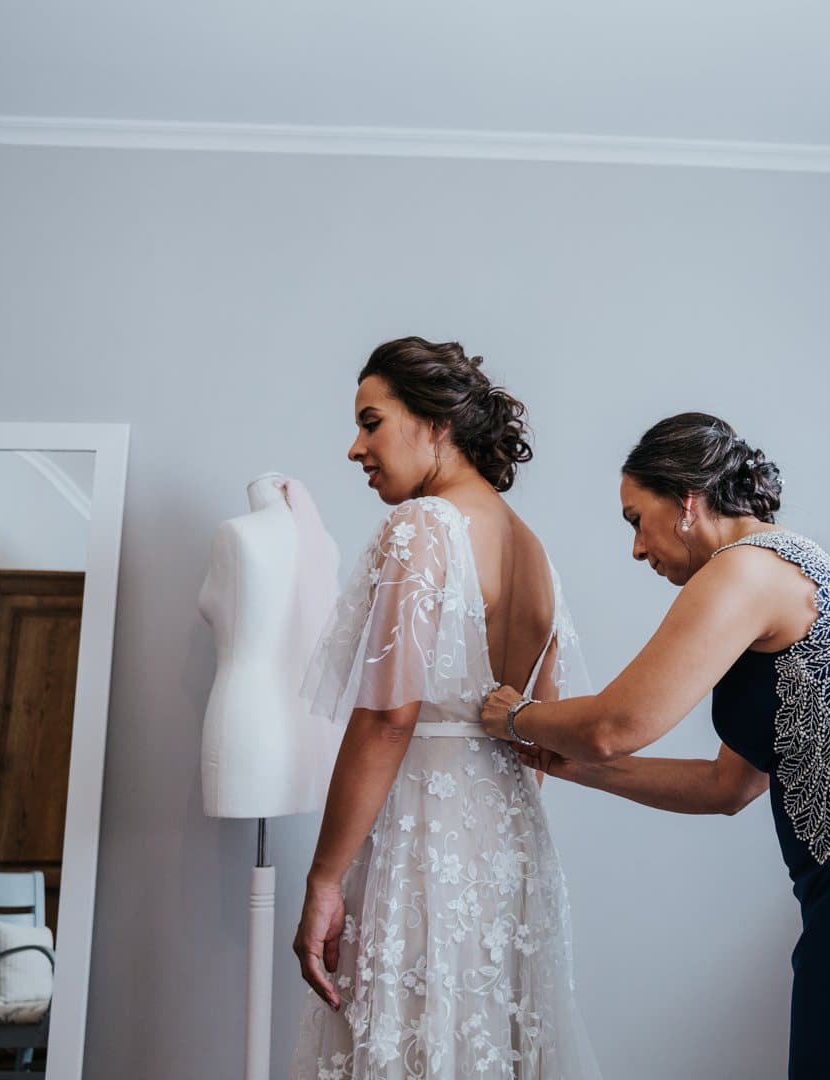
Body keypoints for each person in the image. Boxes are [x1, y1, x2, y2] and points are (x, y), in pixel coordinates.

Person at [482, 412, 830, 1079]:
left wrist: (516, 715)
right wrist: (575, 769)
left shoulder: (743, 572)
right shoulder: (787, 566)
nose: (637, 549)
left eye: (635, 519)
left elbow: (614, 725)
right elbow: (726, 787)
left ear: (688, 502)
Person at [289, 337, 600, 1079]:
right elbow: (541, 737)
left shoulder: (425, 527)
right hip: (509, 842)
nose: (355, 448)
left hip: (425, 842)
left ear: (436, 424)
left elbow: (389, 715)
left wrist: (324, 880)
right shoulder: (532, 549)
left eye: (371, 423)